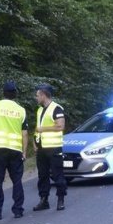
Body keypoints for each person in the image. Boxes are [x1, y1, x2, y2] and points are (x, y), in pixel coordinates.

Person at [0, 81, 29, 220]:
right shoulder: (21, 110)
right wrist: (24, 151)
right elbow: (25, 133)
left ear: (3, 93)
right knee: (17, 180)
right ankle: (18, 210)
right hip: (15, 150)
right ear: (15, 94)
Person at [32, 83, 67, 211]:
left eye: (37, 95)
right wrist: (34, 142)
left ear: (43, 95)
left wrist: (43, 129)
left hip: (53, 147)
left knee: (57, 174)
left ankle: (60, 199)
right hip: (41, 148)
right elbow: (37, 128)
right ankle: (43, 200)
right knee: (42, 175)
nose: (36, 98)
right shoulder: (40, 110)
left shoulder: (57, 108)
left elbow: (60, 126)